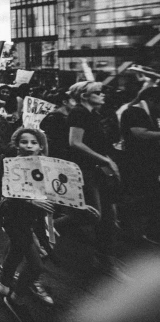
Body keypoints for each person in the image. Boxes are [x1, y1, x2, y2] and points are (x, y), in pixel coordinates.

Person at [0, 128, 56, 318]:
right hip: (13, 218)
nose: (28, 146)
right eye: (24, 142)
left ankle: (2, 288)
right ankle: (14, 298)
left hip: (31, 220)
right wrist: (31, 200)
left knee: (16, 252)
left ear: (41, 146)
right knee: (36, 266)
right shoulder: (10, 163)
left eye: (33, 142)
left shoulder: (45, 167)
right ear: (16, 144)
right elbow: (7, 190)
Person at [68, 81, 121, 273]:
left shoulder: (93, 114)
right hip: (85, 170)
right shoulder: (79, 112)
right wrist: (105, 160)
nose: (103, 95)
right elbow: (75, 142)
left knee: (109, 215)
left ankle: (105, 258)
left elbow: (98, 143)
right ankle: (47, 228)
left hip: (97, 170)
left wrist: (108, 161)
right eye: (98, 92)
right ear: (84, 95)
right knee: (93, 215)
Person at [119, 85, 160, 244]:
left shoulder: (149, 112)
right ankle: (133, 232)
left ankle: (144, 231)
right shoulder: (133, 111)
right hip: (136, 163)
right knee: (140, 196)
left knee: (151, 196)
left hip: (148, 162)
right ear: (151, 100)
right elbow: (139, 133)